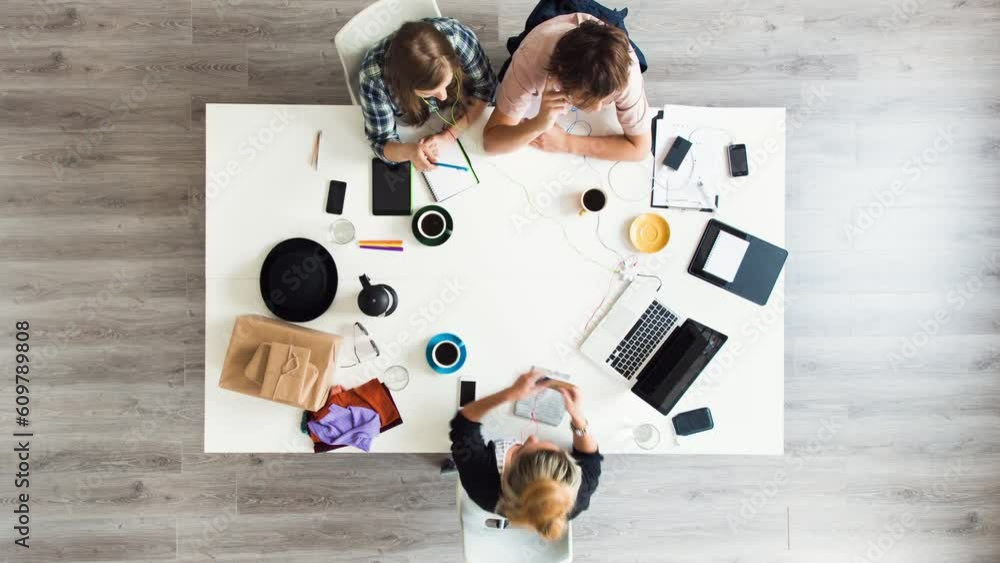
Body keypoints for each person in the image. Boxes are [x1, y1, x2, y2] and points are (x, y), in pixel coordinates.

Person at [449, 370, 602, 541]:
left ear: (508, 474)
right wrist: (578, 418)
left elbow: (463, 425)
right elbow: (591, 458)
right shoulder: (573, 497)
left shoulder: (480, 480)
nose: (532, 438)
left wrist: (508, 395)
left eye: (522, 450)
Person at [482, 14, 651, 161]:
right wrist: (538, 124)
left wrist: (566, 143)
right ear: (559, 77)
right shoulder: (531, 59)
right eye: (586, 98)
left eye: (607, 98)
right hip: (546, 37)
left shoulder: (627, 74)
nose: (598, 108)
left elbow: (640, 149)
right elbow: (491, 142)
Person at [360, 18, 497, 171]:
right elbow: (380, 140)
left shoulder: (458, 36)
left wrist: (449, 136)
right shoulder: (373, 78)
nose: (443, 96)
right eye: (428, 93)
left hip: (458, 116)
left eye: (447, 82)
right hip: (414, 124)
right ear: (405, 86)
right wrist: (408, 151)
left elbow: (486, 86)